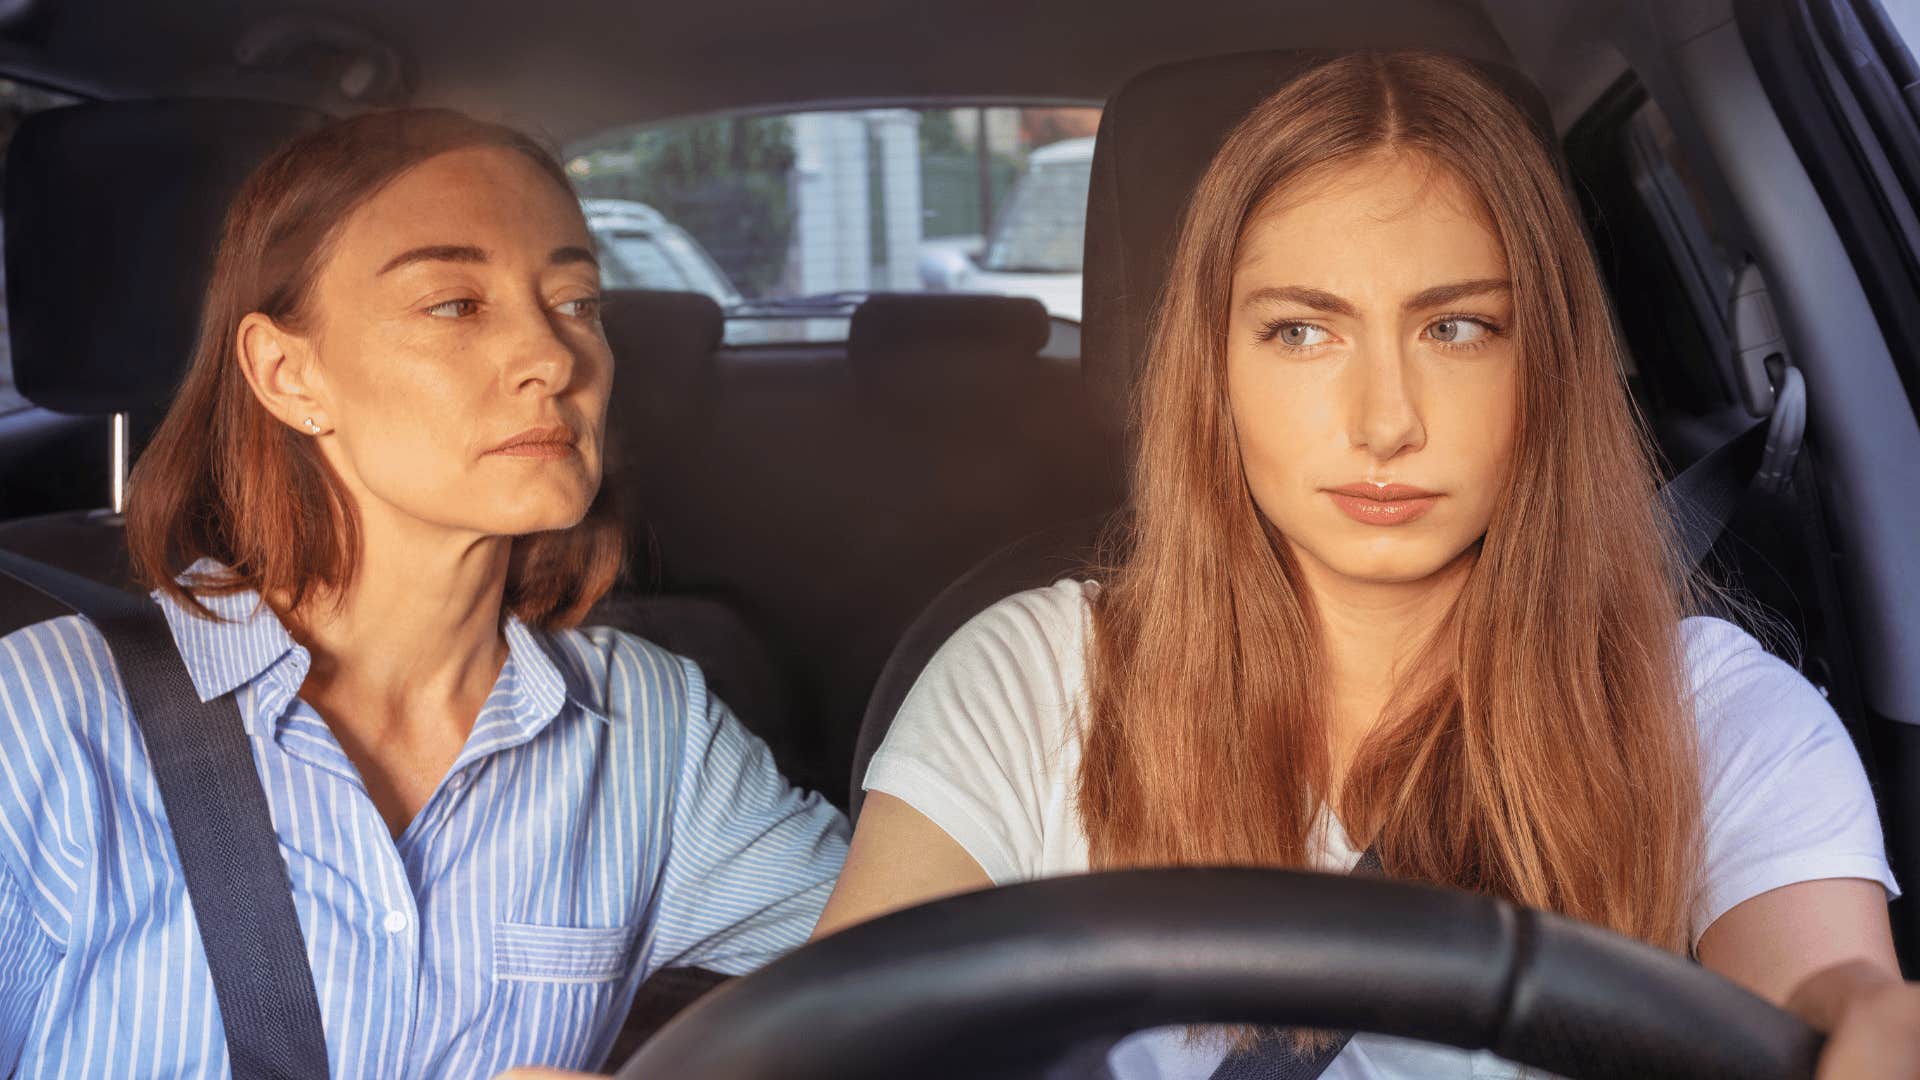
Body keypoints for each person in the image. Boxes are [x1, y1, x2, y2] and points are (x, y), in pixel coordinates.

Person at [816, 51, 1917, 1078]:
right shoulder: (1035, 682)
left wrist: (1856, 1018)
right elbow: (842, 1034)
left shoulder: (1711, 717)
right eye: (1302, 332)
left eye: (1459, 329)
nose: (1385, 422)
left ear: (1550, 369)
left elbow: (1823, 987)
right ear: (1216, 375)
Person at [0, 108, 848, 1077]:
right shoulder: (44, 720)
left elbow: (918, 986)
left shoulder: (651, 728)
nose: (556, 358)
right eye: (456, 305)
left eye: (576, 303)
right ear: (288, 373)